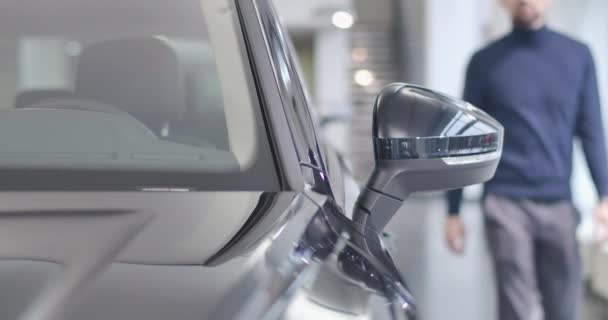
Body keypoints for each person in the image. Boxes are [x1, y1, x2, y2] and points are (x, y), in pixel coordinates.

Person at [445, 0, 608, 319]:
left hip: (559, 203)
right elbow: (463, 139)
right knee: (515, 307)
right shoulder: (484, 62)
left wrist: (605, 194)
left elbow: (591, 130)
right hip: (505, 202)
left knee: (563, 308)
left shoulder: (578, 56)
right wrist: (453, 210)